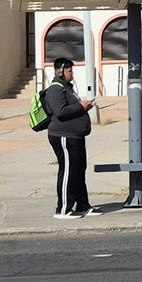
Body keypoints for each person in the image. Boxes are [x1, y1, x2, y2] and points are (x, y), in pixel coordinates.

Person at [42, 57, 92, 219]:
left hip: (75, 136)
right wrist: (80, 106)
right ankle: (64, 208)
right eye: (69, 70)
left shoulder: (67, 88)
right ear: (60, 71)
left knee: (78, 170)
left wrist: (84, 107)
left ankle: (83, 205)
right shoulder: (56, 89)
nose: (72, 74)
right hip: (64, 136)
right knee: (68, 171)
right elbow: (60, 111)